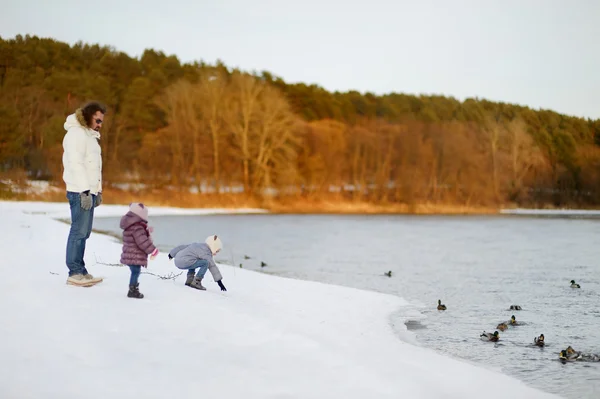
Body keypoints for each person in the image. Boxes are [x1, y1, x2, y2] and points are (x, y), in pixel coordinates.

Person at [62, 101, 106, 287]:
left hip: (89, 190)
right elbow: (75, 164)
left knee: (84, 232)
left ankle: (81, 269)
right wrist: (85, 191)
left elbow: (94, 166)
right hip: (79, 190)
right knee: (78, 231)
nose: (100, 124)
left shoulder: (90, 136)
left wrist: (98, 190)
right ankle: (74, 272)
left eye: (102, 121)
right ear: (88, 116)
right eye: (97, 120)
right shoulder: (76, 134)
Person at [119, 203, 159, 299]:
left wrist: (146, 231)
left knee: (135, 271)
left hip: (130, 253)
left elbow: (139, 237)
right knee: (135, 272)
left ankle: (133, 288)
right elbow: (142, 242)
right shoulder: (137, 227)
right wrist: (153, 250)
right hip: (134, 255)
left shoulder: (132, 225)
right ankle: (132, 290)